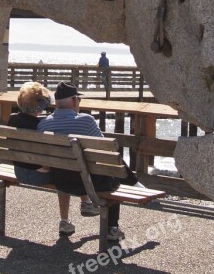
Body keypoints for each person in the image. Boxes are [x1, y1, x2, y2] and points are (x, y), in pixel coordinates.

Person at [7, 82, 98, 236]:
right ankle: (84, 204)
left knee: (60, 165)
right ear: (41, 105)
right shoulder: (40, 125)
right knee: (63, 166)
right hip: (39, 175)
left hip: (19, 172)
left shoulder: (13, 120)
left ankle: (67, 219)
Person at [37, 82, 125, 241]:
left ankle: (69, 218)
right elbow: (106, 150)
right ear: (74, 100)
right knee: (114, 173)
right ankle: (112, 228)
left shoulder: (44, 124)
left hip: (60, 181)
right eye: (79, 99)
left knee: (66, 166)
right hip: (88, 183)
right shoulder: (86, 121)